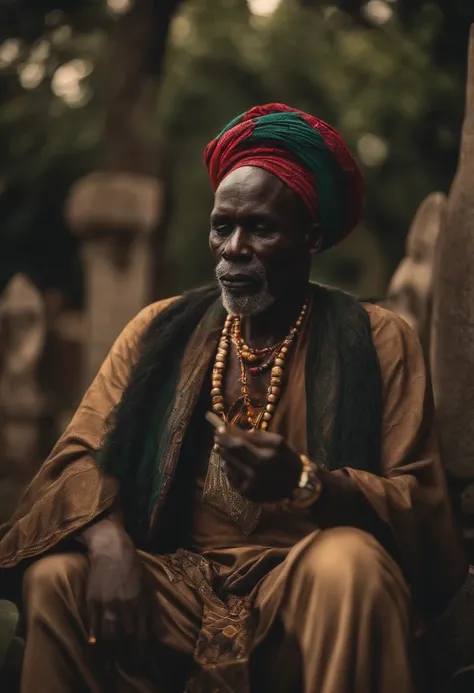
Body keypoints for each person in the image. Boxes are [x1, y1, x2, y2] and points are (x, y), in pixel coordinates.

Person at [0, 103, 467, 693]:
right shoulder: (158, 329)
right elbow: (76, 457)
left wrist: (308, 484)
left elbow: (418, 502)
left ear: (312, 237)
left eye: (261, 229)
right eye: (223, 226)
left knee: (351, 563)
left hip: (303, 592)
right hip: (175, 588)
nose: (233, 249)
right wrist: (108, 539)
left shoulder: (379, 338)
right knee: (57, 580)